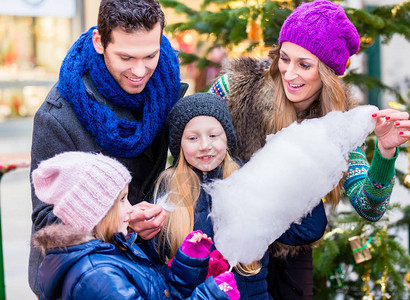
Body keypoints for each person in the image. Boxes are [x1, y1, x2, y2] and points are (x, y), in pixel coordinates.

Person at [209, 0, 410, 299]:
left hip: (292, 250)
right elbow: (191, 142)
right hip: (231, 240)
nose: (289, 73)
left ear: (327, 72)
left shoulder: (341, 123)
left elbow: (369, 207)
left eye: (304, 65)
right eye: (284, 58)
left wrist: (385, 152)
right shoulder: (236, 88)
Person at [28, 0, 186, 297]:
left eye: (150, 55)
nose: (140, 70)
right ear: (100, 42)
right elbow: (46, 223)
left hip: (144, 267)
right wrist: (118, 219)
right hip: (86, 279)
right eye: (126, 57)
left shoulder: (164, 88)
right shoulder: (57, 116)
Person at [138, 92, 327, 299]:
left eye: (213, 135)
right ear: (179, 144)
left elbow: (307, 231)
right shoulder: (168, 187)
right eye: (192, 138)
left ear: (227, 137)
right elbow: (151, 262)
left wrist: (299, 178)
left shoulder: (249, 178)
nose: (204, 145)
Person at [31, 151, 239, 300]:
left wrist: (188, 262)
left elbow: (160, 291)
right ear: (97, 212)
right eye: (122, 200)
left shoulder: (116, 247)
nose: (131, 208)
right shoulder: (98, 275)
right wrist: (211, 295)